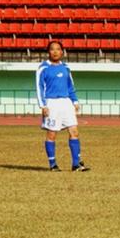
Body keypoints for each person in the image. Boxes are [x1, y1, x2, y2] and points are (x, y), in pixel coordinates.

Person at [37, 40, 88, 172]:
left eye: (58, 49)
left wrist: (75, 101)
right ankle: (53, 164)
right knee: (52, 134)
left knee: (74, 131)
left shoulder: (66, 68)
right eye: (52, 49)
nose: (55, 52)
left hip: (66, 103)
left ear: (62, 52)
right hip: (51, 103)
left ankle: (76, 164)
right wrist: (43, 106)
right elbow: (39, 87)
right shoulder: (43, 68)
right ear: (48, 52)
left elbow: (70, 86)